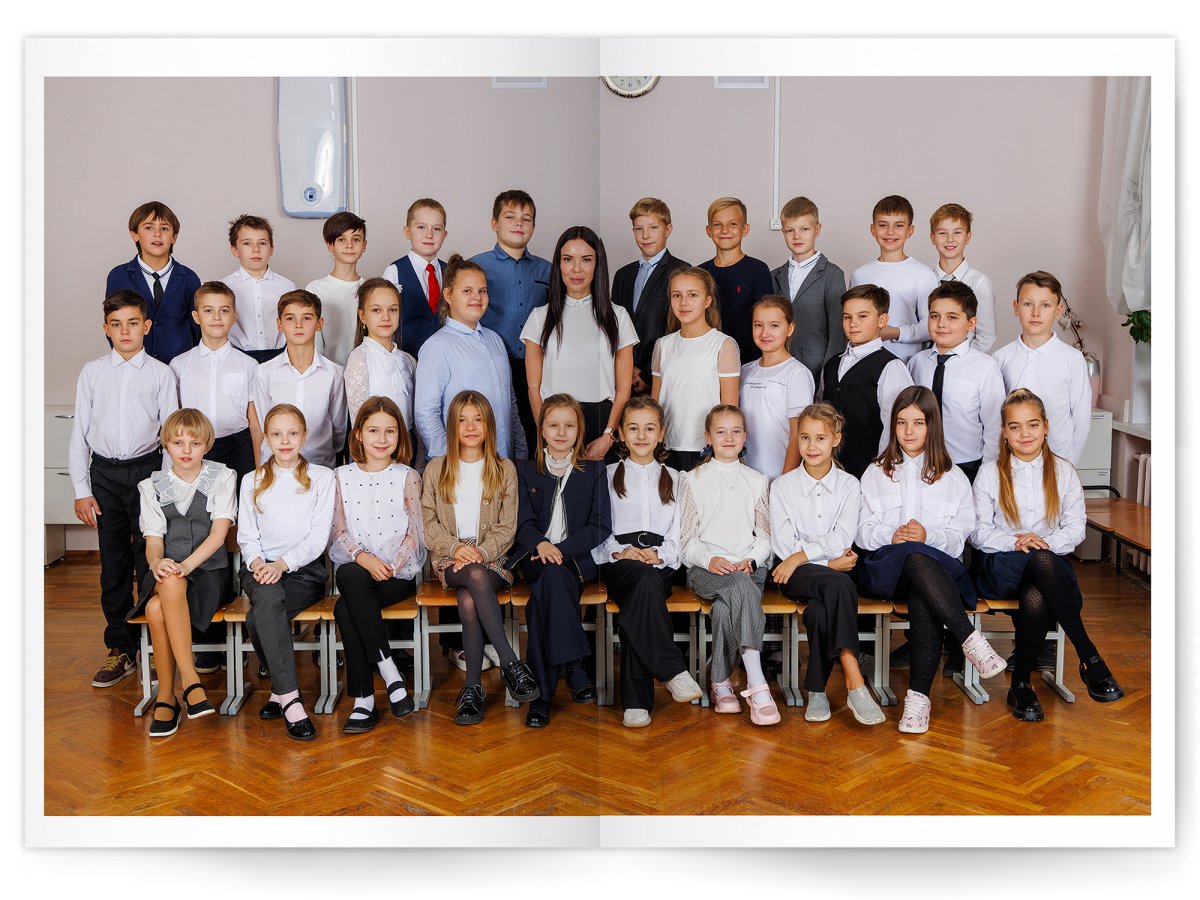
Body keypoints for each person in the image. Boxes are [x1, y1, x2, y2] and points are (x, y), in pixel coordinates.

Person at [855, 386, 1006, 734]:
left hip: (938, 573)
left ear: (932, 426)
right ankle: (969, 639)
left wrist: (928, 536)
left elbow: (961, 534)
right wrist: (891, 535)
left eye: (918, 423)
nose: (909, 431)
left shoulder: (953, 476)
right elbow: (860, 531)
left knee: (922, 578)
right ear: (892, 425)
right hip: (887, 572)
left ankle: (917, 703)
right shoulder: (875, 472)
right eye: (901, 422)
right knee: (911, 556)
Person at [971, 388, 1124, 721]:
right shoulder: (989, 472)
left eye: (1033, 425)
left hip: (1047, 567)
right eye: (1015, 426)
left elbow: (1076, 529)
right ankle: (1089, 656)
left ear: (1046, 427)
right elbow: (978, 532)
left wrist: (1043, 542)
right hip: (1000, 565)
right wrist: (1017, 542)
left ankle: (1021, 684)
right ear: (1004, 432)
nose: (1024, 434)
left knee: (1038, 591)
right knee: (1041, 562)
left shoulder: (1064, 471)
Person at [69, 290, 179, 688]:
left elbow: (170, 436)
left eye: (133, 323)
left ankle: (155, 641)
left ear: (146, 326)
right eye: (116, 325)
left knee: (149, 557)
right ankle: (120, 647)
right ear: (106, 329)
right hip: (105, 475)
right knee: (114, 563)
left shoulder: (161, 374)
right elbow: (79, 433)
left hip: (147, 472)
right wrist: (81, 489)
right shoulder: (92, 372)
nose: (125, 331)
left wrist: (162, 489)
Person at [421, 391, 541, 725]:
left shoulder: (503, 469)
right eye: (462, 420)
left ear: (489, 425)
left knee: (468, 597)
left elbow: (508, 526)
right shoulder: (436, 469)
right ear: (452, 426)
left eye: (478, 419)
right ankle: (511, 663)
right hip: (450, 558)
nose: (471, 426)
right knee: (472, 574)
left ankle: (472, 688)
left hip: (494, 557)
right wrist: (456, 549)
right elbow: (428, 523)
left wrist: (482, 552)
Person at [768, 403, 884, 725]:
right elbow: (783, 544)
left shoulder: (849, 485)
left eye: (820, 438)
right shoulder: (782, 486)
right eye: (804, 437)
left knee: (819, 612)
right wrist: (827, 564)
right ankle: (854, 678)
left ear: (836, 439)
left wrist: (802, 556)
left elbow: (843, 536)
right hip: (795, 576)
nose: (811, 446)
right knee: (840, 583)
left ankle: (817, 691)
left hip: (810, 570)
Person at [593, 396, 703, 727]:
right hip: (619, 563)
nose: (641, 436)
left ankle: (637, 703)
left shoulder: (678, 478)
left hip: (660, 563)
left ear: (661, 434)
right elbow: (597, 526)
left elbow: (681, 531)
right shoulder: (606, 475)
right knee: (642, 582)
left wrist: (662, 555)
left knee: (641, 598)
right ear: (621, 435)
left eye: (649, 428)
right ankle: (672, 669)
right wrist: (619, 551)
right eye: (633, 428)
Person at [129, 409, 235, 737]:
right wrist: (156, 563)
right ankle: (191, 684)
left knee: (154, 608)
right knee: (169, 583)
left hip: (209, 573)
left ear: (207, 445)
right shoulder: (152, 486)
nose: (186, 450)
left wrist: (186, 566)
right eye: (178, 443)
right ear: (166, 445)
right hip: (167, 573)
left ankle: (167, 696)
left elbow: (218, 535)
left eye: (195, 443)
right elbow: (153, 542)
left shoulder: (222, 476)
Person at [509, 394, 611, 728]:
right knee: (550, 578)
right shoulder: (525, 470)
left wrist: (562, 551)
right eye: (554, 425)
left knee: (542, 600)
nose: (562, 432)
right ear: (542, 429)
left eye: (569, 425)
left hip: (575, 561)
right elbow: (522, 524)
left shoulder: (593, 471)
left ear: (579, 430)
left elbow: (600, 526)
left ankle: (541, 698)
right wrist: (541, 544)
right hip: (535, 556)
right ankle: (575, 665)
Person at [237, 404, 336, 741]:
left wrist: (282, 565)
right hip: (259, 570)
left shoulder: (322, 478)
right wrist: (259, 564)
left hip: (304, 572)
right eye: (277, 434)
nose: (285, 441)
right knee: (266, 598)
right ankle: (292, 701)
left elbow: (318, 538)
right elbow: (247, 537)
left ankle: (278, 692)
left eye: (292, 433)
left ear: (304, 437)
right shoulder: (252, 480)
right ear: (266, 438)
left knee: (257, 618)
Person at [329, 396, 424, 733]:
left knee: (344, 608)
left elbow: (415, 533)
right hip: (357, 570)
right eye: (373, 430)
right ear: (358, 434)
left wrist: (392, 564)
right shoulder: (340, 476)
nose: (382, 439)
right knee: (350, 573)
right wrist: (363, 557)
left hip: (395, 575)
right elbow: (338, 530)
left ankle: (364, 700)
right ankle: (390, 673)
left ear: (400, 435)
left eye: (390, 431)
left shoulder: (407, 476)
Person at [678, 405, 777, 725]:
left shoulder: (758, 480)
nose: (729, 438)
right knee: (739, 590)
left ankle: (720, 684)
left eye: (736, 431)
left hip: (749, 567)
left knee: (725, 607)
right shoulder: (692, 479)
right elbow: (687, 541)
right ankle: (757, 685)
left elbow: (765, 537)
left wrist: (751, 559)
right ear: (708, 437)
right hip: (707, 570)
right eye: (721, 432)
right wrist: (710, 559)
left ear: (745, 436)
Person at [521, 225, 637, 459]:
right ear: (559, 264)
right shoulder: (539, 317)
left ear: (597, 264)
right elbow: (533, 388)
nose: (576, 269)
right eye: (568, 259)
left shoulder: (618, 317)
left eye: (586, 260)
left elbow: (624, 387)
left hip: (602, 423)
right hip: (555, 424)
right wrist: (545, 432)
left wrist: (609, 435)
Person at [414, 254, 527, 460]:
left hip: (504, 462)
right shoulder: (437, 347)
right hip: (461, 464)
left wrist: (520, 451)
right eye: (467, 291)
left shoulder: (495, 340)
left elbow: (509, 404)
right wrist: (448, 461)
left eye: (482, 291)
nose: (477, 297)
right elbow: (426, 413)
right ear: (448, 295)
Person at [472, 189, 552, 451]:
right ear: (494, 223)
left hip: (537, 367)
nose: (519, 223)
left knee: (534, 433)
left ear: (533, 227)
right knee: (494, 431)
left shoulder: (548, 270)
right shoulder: (476, 267)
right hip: (491, 364)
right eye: (510, 217)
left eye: (526, 219)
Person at [907, 280, 1005, 484]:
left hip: (967, 466)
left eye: (952, 317)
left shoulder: (986, 367)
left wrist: (987, 474)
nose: (941, 324)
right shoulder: (916, 363)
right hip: (920, 463)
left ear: (971, 323)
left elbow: (994, 426)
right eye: (934, 316)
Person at [992, 271, 1092, 464]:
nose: (1036, 313)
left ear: (1058, 310)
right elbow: (995, 418)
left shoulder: (1072, 359)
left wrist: (1068, 465)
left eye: (1045, 305)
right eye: (1028, 304)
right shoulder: (999, 359)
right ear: (1016, 307)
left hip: (1057, 461)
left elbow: (1081, 421)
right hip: (1010, 463)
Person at [170, 280, 264, 485]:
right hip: (193, 449)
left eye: (224, 310)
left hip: (237, 449)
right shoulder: (179, 365)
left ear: (234, 317)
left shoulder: (249, 365)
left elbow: (256, 426)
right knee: (197, 504)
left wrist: (259, 472)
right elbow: (173, 418)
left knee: (236, 502)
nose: (216, 317)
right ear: (196, 316)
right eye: (208, 310)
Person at [818, 284, 913, 478]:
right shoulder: (831, 364)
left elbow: (894, 426)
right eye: (847, 317)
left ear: (882, 320)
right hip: (830, 472)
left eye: (862, 316)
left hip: (870, 472)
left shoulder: (890, 367)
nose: (853, 323)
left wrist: (881, 471)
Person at [650, 268, 740, 472]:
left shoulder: (723, 344)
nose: (683, 303)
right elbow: (654, 405)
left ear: (707, 301)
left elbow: (729, 408)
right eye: (676, 295)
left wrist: (721, 450)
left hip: (706, 448)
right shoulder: (662, 345)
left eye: (692, 295)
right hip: (666, 447)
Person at [254, 290, 348, 469]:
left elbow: (339, 428)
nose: (298, 325)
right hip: (276, 468)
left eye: (307, 318)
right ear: (279, 324)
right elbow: (264, 423)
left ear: (319, 324)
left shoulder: (334, 373)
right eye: (290, 318)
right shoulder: (264, 372)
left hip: (320, 466)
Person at [611, 197, 691, 394]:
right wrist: (627, 368)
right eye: (639, 229)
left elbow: (681, 329)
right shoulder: (623, 275)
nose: (645, 235)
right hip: (624, 375)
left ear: (668, 230)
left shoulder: (682, 272)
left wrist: (648, 374)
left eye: (653, 228)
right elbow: (615, 326)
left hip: (662, 375)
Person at [104, 200, 200, 363]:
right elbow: (113, 322)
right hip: (136, 364)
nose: (157, 234)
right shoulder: (118, 276)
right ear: (134, 234)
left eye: (165, 228)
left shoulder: (189, 278)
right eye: (149, 228)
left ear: (174, 237)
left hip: (180, 365)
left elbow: (197, 327)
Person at [848, 195, 939, 362]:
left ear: (910, 230)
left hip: (908, 363)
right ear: (873, 229)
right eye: (883, 225)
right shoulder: (859, 275)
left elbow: (932, 325)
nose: (890, 232)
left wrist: (895, 332)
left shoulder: (923, 275)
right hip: (863, 361)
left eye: (899, 225)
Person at [770, 196, 847, 383]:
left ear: (817, 230)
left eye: (804, 229)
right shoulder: (774, 275)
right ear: (783, 232)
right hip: (778, 367)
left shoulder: (832, 274)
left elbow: (837, 332)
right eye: (790, 230)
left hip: (816, 369)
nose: (797, 236)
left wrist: (828, 375)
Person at [739, 296, 815, 479]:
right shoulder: (744, 371)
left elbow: (798, 434)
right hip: (744, 476)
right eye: (758, 325)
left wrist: (784, 482)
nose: (764, 333)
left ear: (790, 329)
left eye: (774, 325)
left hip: (778, 475)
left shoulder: (796, 373)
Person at [698, 197, 773, 362]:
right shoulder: (700, 273)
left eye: (732, 224)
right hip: (707, 359)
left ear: (745, 229)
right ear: (708, 230)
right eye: (717, 224)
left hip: (748, 360)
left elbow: (766, 320)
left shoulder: (758, 270)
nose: (725, 230)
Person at [343, 278, 417, 429]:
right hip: (376, 441)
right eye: (376, 310)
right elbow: (359, 419)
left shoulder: (408, 361)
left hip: (407, 441)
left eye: (393, 310)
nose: (386, 317)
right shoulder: (359, 358)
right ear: (363, 316)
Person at [222, 213, 296, 363]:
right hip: (237, 357)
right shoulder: (224, 287)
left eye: (262, 243)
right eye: (247, 243)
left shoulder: (287, 286)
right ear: (234, 250)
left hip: (279, 357)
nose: (256, 249)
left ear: (271, 249)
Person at [382, 198, 450, 358]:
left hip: (446, 356)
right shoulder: (394, 272)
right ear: (407, 232)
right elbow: (385, 321)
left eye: (437, 229)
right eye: (421, 227)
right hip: (407, 356)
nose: (429, 235)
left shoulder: (452, 272)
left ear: (444, 235)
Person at [927, 203, 997, 353]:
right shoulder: (924, 279)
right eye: (942, 233)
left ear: (968, 237)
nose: (950, 239)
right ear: (932, 238)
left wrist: (961, 362)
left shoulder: (979, 283)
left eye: (957, 233)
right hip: (927, 360)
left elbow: (986, 336)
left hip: (965, 362)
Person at [307, 211, 368, 367]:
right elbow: (315, 344)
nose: (349, 245)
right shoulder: (316, 289)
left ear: (364, 245)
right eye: (341, 239)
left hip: (367, 371)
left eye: (356, 239)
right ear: (330, 245)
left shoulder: (371, 289)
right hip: (330, 373)